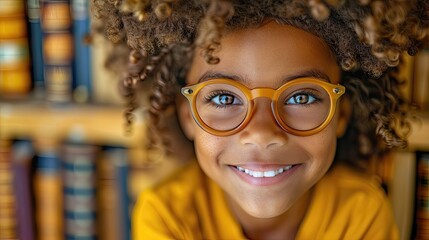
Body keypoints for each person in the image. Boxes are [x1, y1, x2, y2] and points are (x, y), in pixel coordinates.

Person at [93, 0, 428, 239]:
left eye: (301, 97)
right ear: (188, 117)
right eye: (224, 98)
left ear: (341, 114)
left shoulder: (360, 213)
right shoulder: (168, 216)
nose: (262, 133)